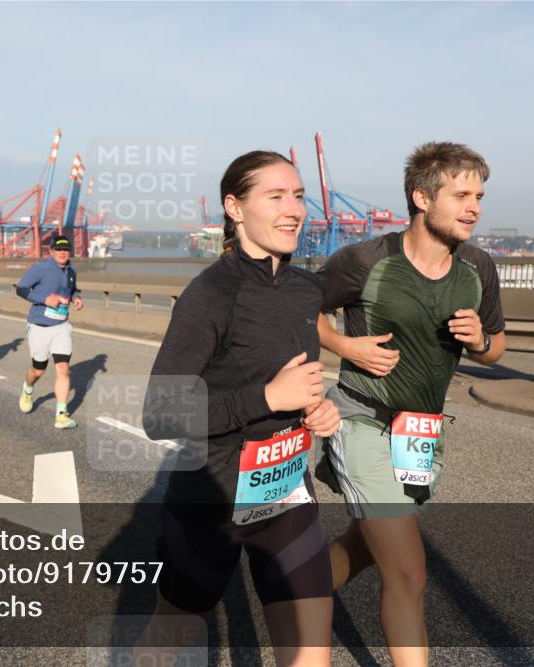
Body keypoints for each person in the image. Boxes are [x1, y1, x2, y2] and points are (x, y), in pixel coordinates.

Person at [139, 151, 341, 666]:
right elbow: (160, 412)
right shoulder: (210, 295)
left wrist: (317, 410)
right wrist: (269, 398)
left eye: (297, 196)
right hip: (214, 500)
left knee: (311, 655)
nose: (293, 209)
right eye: (275, 197)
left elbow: (297, 382)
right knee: (171, 642)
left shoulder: (307, 289)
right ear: (234, 208)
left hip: (287, 493)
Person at [314, 142, 506, 666]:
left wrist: (479, 342)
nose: (475, 207)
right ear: (421, 197)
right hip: (361, 423)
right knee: (409, 571)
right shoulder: (363, 261)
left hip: (421, 435)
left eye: (480, 196)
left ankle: (293, 592)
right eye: (461, 194)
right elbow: (302, 312)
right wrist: (346, 346)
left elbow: (497, 346)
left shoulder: (478, 267)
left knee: (362, 547)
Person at [15, 235, 84, 429]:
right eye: (59, 249)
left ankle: (61, 415)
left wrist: (76, 297)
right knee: (38, 371)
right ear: (52, 251)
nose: (63, 253)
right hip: (40, 326)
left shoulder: (72, 270)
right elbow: (21, 289)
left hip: (61, 326)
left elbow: (71, 290)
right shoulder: (41, 268)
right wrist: (44, 300)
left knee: (63, 369)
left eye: (66, 249)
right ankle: (28, 389)